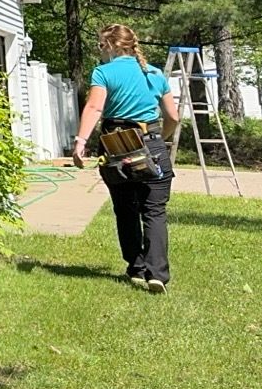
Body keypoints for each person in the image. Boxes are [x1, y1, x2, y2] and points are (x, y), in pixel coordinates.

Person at [71, 24, 181, 293]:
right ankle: (157, 274)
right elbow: (174, 117)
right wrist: (159, 138)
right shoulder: (155, 73)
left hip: (116, 146)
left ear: (110, 46)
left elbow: (95, 106)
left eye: (101, 46)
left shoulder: (104, 72)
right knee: (154, 211)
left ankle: (137, 267)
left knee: (125, 208)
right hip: (152, 144)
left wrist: (81, 142)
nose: (101, 51)